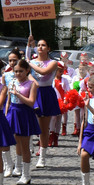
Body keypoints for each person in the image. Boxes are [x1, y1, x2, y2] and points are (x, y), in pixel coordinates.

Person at [26, 37, 60, 169]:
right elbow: (27, 75)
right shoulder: (32, 61)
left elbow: (43, 72)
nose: (40, 47)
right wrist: (29, 46)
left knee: (43, 129)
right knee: (28, 123)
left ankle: (42, 156)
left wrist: (29, 63)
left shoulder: (53, 63)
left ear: (48, 48)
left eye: (43, 45)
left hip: (45, 94)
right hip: (33, 92)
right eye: (38, 45)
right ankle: (28, 148)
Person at [5, 58, 39, 185]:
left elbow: (31, 102)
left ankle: (26, 174)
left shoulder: (32, 84)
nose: (18, 74)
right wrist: (6, 112)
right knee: (15, 141)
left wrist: (18, 94)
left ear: (27, 70)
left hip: (25, 113)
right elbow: (8, 100)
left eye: (20, 71)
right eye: (16, 71)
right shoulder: (12, 81)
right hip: (13, 112)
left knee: (25, 145)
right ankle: (17, 166)